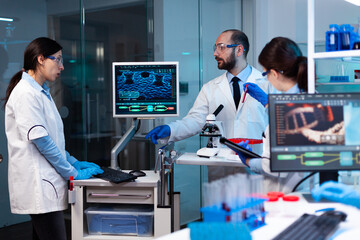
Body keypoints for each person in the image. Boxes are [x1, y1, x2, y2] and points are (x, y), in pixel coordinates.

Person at [3, 37, 103, 240]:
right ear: (40, 59)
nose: (62, 66)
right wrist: (71, 172)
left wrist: (72, 160)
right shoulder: (26, 94)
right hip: (39, 186)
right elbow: (42, 143)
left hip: (46, 183)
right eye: (57, 59)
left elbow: (52, 141)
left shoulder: (41, 93)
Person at [146, 29, 277, 181]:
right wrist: (171, 129)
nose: (215, 53)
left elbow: (282, 124)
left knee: (258, 205)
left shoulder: (268, 85)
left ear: (239, 50)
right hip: (221, 170)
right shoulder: (210, 88)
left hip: (257, 169)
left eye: (221, 47)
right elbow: (196, 121)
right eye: (215, 48)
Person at [234, 37, 307, 193]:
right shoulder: (312, 97)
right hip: (307, 188)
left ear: (274, 73)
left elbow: (272, 165)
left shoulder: (285, 111)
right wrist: (269, 104)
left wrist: (247, 160)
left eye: (266, 72)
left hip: (287, 193)